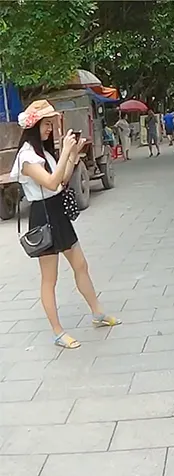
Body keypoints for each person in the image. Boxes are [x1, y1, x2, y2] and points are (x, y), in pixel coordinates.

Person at [10, 100, 122, 349]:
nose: (50, 129)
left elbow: (60, 182)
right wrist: (65, 154)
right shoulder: (27, 157)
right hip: (43, 216)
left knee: (81, 265)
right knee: (49, 279)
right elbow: (50, 183)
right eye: (46, 124)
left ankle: (97, 313)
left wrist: (71, 154)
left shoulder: (44, 152)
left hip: (57, 211)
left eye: (51, 124)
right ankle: (58, 332)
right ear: (34, 125)